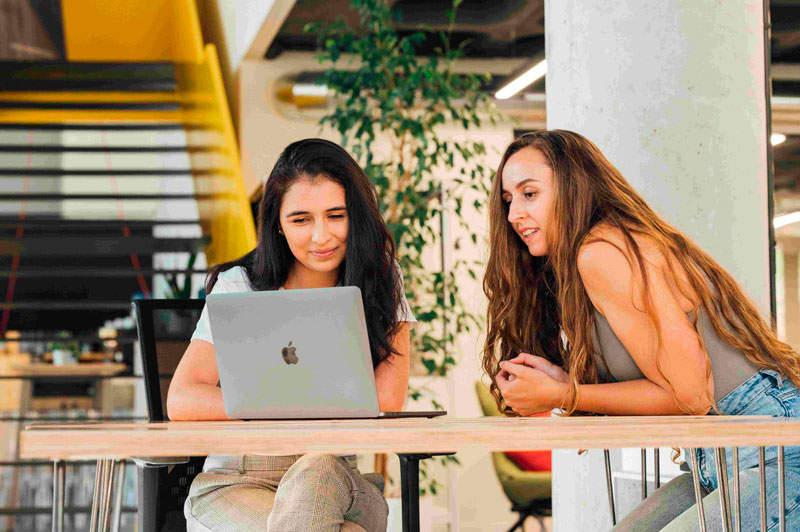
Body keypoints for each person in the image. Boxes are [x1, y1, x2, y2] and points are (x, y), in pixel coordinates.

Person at [481, 130, 800, 531]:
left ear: (574, 187)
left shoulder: (603, 251)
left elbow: (691, 395)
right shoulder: (589, 260)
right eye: (509, 201)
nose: (513, 216)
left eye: (530, 194)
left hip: (776, 447)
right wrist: (564, 383)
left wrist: (566, 393)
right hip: (719, 455)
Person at [168, 138, 414, 532]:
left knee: (316, 466)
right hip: (238, 482)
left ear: (357, 216)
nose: (321, 236)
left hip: (339, 482)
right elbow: (182, 399)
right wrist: (321, 398)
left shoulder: (384, 282)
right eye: (301, 220)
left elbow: (387, 397)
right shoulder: (240, 285)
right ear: (278, 225)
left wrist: (268, 398)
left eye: (336, 215)